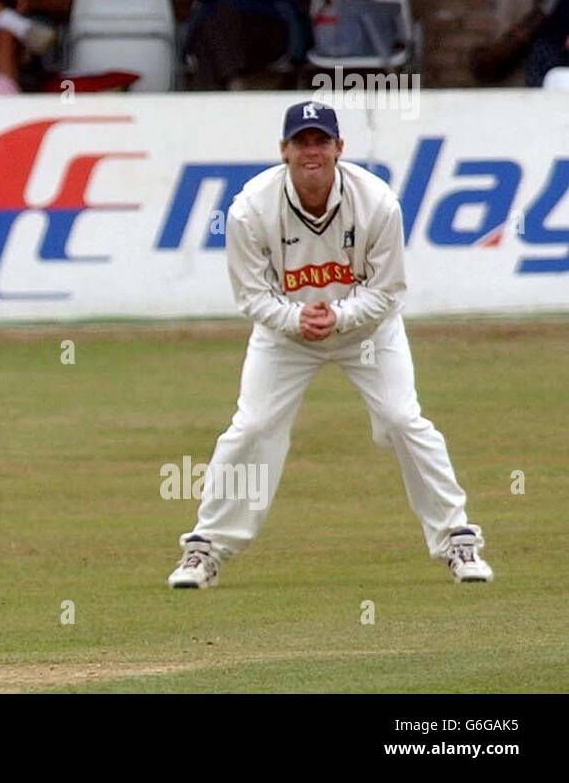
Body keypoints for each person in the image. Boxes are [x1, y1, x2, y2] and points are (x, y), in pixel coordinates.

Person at [167, 101, 493, 589]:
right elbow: (251, 296)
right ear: (284, 150)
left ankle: (458, 541)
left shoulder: (377, 203)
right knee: (253, 426)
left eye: (321, 141)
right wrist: (297, 318)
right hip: (285, 335)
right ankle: (205, 549)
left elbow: (388, 292)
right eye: (301, 142)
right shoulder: (251, 209)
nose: (311, 152)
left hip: (366, 332)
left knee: (403, 420)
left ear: (340, 148)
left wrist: (337, 316)